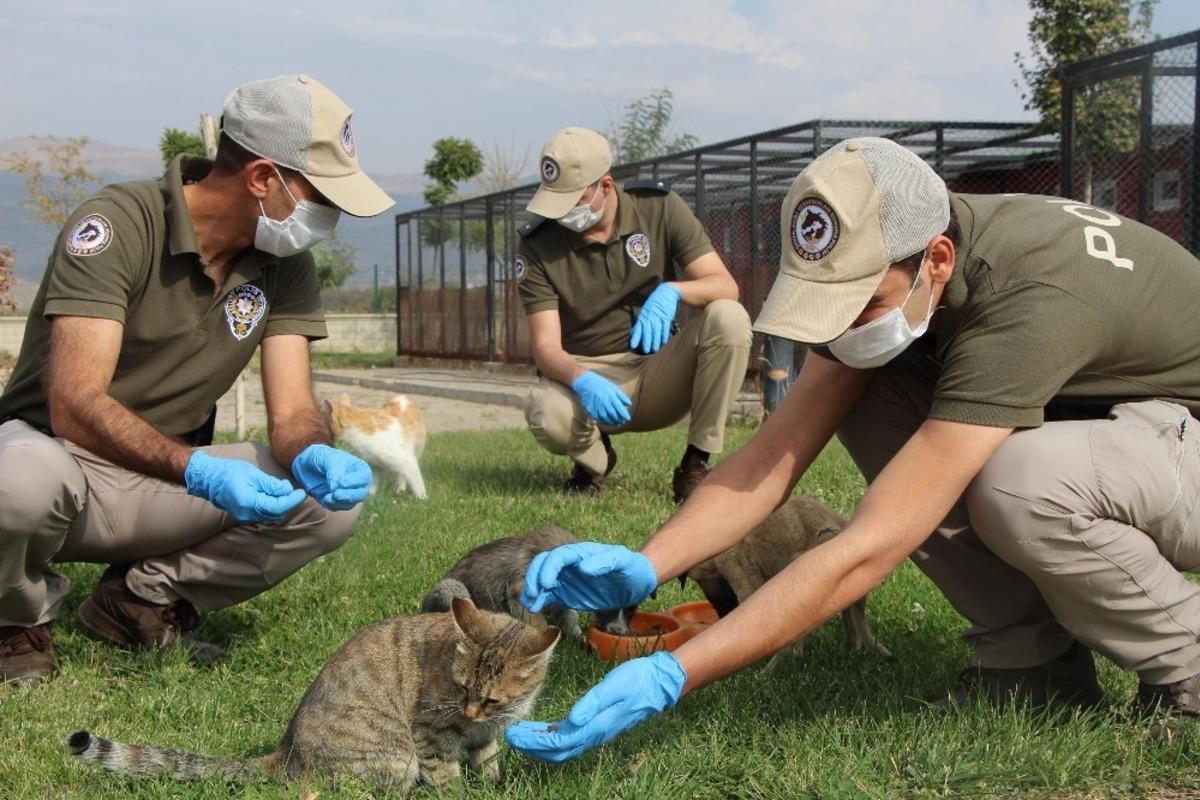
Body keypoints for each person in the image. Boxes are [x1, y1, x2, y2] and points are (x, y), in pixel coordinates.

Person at [506, 136, 1200, 762]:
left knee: (1022, 483)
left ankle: (1187, 664)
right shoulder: (909, 258)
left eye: (859, 304)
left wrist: (677, 671)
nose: (841, 331)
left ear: (938, 259)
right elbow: (767, 461)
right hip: (1125, 431)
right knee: (866, 396)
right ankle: (1033, 666)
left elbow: (873, 543)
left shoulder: (1027, 295)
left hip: (1184, 440)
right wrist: (647, 564)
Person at [0, 74, 395, 684]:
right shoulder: (121, 223)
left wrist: (314, 452)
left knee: (325, 509)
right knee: (16, 480)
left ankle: (138, 600)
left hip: (161, 479)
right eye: (324, 197)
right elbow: (74, 404)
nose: (333, 216)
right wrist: (198, 469)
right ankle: (16, 621)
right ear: (263, 178)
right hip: (62, 462)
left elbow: (291, 411)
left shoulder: (285, 265)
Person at [517, 126, 751, 503]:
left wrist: (674, 291)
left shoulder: (659, 207)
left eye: (571, 200)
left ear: (605, 186)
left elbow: (726, 286)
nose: (561, 213)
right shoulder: (536, 245)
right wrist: (581, 380)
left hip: (658, 370)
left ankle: (696, 462)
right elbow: (545, 345)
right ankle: (593, 462)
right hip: (587, 376)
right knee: (546, 411)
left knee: (729, 318)